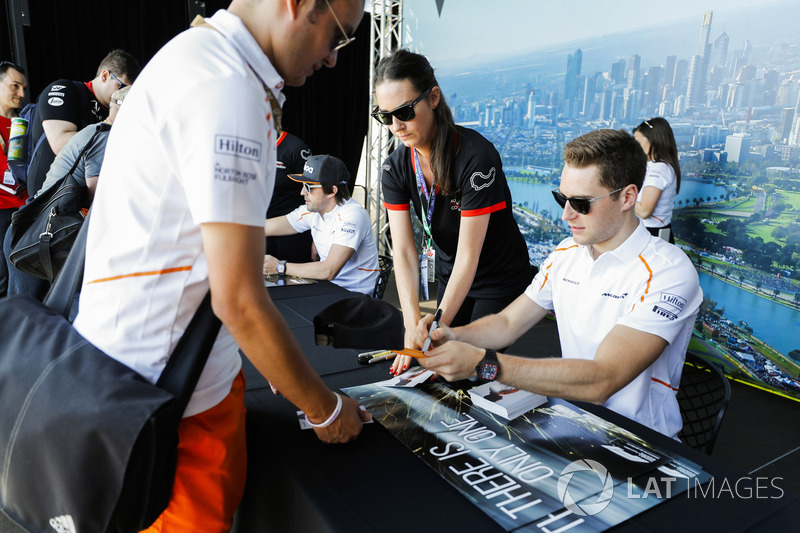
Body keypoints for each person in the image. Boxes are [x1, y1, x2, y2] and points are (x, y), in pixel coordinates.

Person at [72, 1, 367, 530]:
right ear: (298, 5)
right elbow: (240, 299)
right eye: (340, 36)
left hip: (155, 380)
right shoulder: (229, 90)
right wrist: (325, 410)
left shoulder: (196, 56)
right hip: (171, 404)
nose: (333, 60)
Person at [418, 129, 702, 439]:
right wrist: (450, 334)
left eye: (581, 203)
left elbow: (602, 380)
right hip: (572, 424)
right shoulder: (567, 252)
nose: (566, 214)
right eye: (561, 198)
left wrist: (483, 365)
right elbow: (507, 322)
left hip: (640, 442)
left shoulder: (668, 271)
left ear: (628, 197)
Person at [373, 49, 532, 376]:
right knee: (432, 360)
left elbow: (468, 256)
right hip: (451, 274)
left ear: (433, 98)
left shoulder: (476, 157)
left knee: (467, 366)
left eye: (404, 111)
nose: (396, 126)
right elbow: (403, 251)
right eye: (385, 116)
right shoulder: (395, 167)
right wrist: (411, 324)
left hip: (498, 279)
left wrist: (439, 323)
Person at [26, 48, 140, 198]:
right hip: (48, 198)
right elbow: (60, 142)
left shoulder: (115, 111)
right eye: (123, 87)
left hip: (80, 198)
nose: (124, 95)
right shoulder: (65, 90)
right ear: (105, 75)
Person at [263, 154, 379, 294]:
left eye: (308, 186)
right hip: (328, 289)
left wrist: (280, 267)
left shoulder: (353, 216)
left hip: (355, 295)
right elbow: (265, 227)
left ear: (332, 191)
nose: (302, 192)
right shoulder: (312, 210)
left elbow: (328, 271)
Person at [37, 86, 130, 200]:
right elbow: (97, 199)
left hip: (52, 209)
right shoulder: (104, 138)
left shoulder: (95, 130)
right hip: (55, 213)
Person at [0, 61, 28, 297]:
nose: (21, 93)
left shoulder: (25, 121)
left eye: (24, 88)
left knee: (26, 273)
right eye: (15, 86)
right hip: (1, 209)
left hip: (27, 208)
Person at [632, 117, 681, 244]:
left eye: (638, 142)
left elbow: (644, 211)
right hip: (647, 233)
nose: (635, 146)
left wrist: (619, 197)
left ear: (653, 141)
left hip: (654, 236)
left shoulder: (659, 170)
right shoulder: (653, 166)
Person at [267, 130, 314, 262]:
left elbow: (316, 190)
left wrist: (317, 237)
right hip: (261, 226)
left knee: (294, 278)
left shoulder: (295, 148)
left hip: (292, 227)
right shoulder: (249, 146)